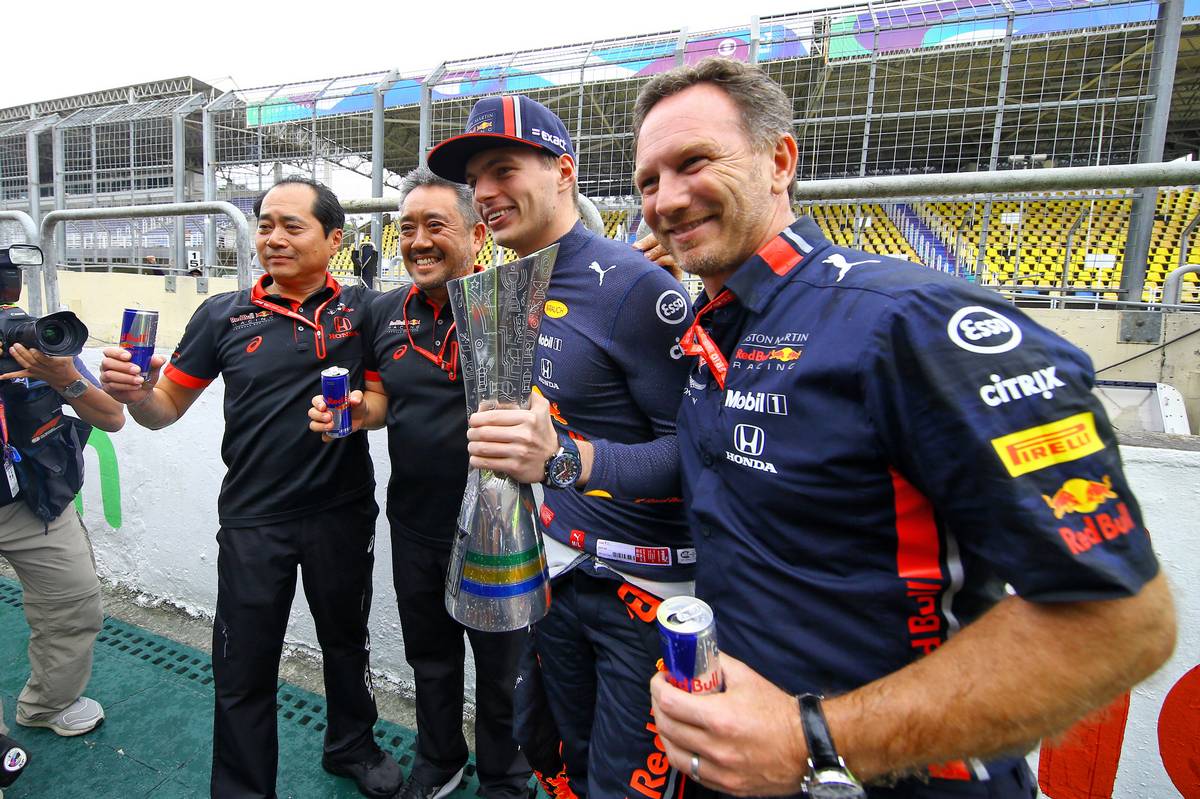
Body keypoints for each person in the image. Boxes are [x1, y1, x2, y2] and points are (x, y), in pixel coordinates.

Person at [630, 58, 1176, 797]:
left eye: (694, 162)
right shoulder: (714, 332)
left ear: (780, 160)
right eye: (647, 181)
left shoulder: (910, 322)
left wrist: (810, 738)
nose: (666, 198)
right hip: (744, 766)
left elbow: (1121, 619)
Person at [98, 176, 401, 799]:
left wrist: (357, 416)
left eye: (293, 226)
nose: (274, 238)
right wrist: (131, 396)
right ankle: (242, 789)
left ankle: (352, 745)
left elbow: (383, 398)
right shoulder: (222, 315)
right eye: (265, 225)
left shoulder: (365, 309)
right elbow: (163, 409)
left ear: (334, 238)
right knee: (243, 663)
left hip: (341, 511)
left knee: (346, 639)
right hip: (252, 518)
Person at [428, 95, 696, 799]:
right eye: (475, 180)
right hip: (560, 576)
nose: (484, 193)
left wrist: (564, 459)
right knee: (562, 763)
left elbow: (700, 456)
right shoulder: (506, 284)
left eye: (504, 168)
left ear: (563, 173)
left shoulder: (636, 286)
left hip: (644, 593)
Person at [310, 167, 533, 799]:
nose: (419, 241)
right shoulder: (384, 312)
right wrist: (352, 415)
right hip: (413, 522)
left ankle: (506, 774)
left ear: (475, 230)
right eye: (407, 227)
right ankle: (440, 759)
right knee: (431, 660)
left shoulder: (511, 308)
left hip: (500, 526)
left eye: (436, 225)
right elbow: (380, 403)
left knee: (500, 669)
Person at [0, 256, 125, 743]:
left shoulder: (36, 350)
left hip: (34, 502)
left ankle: (48, 704)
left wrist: (61, 379)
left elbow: (113, 417)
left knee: (73, 604)